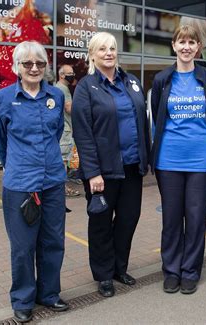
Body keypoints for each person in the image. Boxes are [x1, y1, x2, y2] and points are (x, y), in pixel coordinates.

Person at [0, 41, 69, 323]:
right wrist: (16, 166)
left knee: (52, 242)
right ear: (17, 67)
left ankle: (49, 294)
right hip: (20, 184)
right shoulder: (2, 99)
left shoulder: (55, 97)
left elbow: (57, 131)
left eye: (40, 63)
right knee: (23, 246)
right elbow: (1, 141)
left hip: (52, 182)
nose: (34, 68)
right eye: (28, 64)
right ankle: (23, 299)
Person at [71, 32, 150, 298]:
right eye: (102, 48)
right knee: (101, 222)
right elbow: (83, 133)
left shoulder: (131, 82)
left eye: (112, 48)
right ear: (92, 55)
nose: (109, 52)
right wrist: (92, 172)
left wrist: (145, 158)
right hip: (102, 172)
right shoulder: (86, 87)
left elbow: (143, 123)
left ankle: (119, 267)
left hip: (131, 167)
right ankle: (103, 275)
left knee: (128, 219)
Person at [150, 25, 206, 295]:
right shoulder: (162, 80)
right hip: (168, 160)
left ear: (199, 47)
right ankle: (171, 270)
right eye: (182, 41)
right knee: (171, 219)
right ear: (174, 45)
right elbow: (157, 117)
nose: (187, 47)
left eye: (192, 42)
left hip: (201, 161)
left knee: (195, 218)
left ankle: (190, 271)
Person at [55, 64, 80, 197]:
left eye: (73, 72)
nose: (72, 75)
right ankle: (63, 188)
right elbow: (69, 109)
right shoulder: (62, 89)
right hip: (65, 130)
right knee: (63, 161)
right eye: (69, 73)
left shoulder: (62, 88)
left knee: (65, 160)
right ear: (62, 75)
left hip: (66, 129)